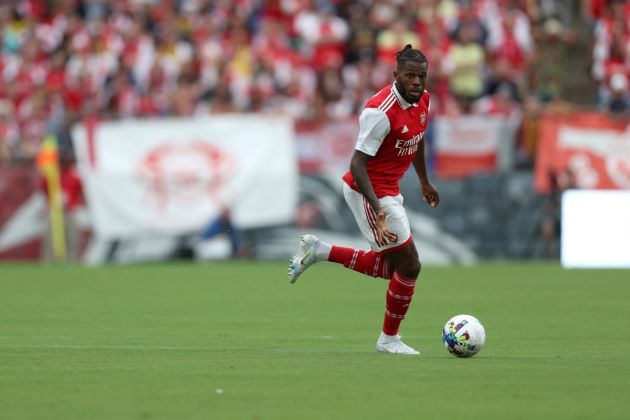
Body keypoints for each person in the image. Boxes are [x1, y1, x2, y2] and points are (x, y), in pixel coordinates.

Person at [288, 45, 440, 355]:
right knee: (410, 266)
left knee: (393, 268)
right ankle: (388, 340)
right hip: (366, 190)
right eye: (410, 76)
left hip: (389, 190)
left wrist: (424, 180)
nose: (416, 82)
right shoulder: (379, 112)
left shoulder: (422, 100)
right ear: (395, 75)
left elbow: (417, 138)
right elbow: (356, 166)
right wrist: (378, 209)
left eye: (421, 76)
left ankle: (320, 251)